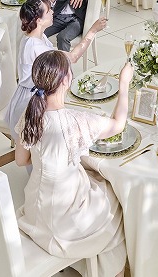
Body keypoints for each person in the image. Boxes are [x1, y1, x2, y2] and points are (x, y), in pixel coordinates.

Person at [15, 52, 130, 277]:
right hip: (64, 224)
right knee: (114, 201)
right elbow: (118, 125)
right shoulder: (74, 121)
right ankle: (110, 271)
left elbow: (21, 160)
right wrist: (124, 84)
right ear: (66, 81)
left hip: (35, 213)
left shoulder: (30, 114)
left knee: (92, 181)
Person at [4, 0, 107, 131]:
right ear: (39, 20)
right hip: (30, 105)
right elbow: (73, 57)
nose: (53, 12)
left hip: (31, 95)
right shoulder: (35, 46)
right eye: (48, 11)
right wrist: (93, 30)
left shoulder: (36, 36)